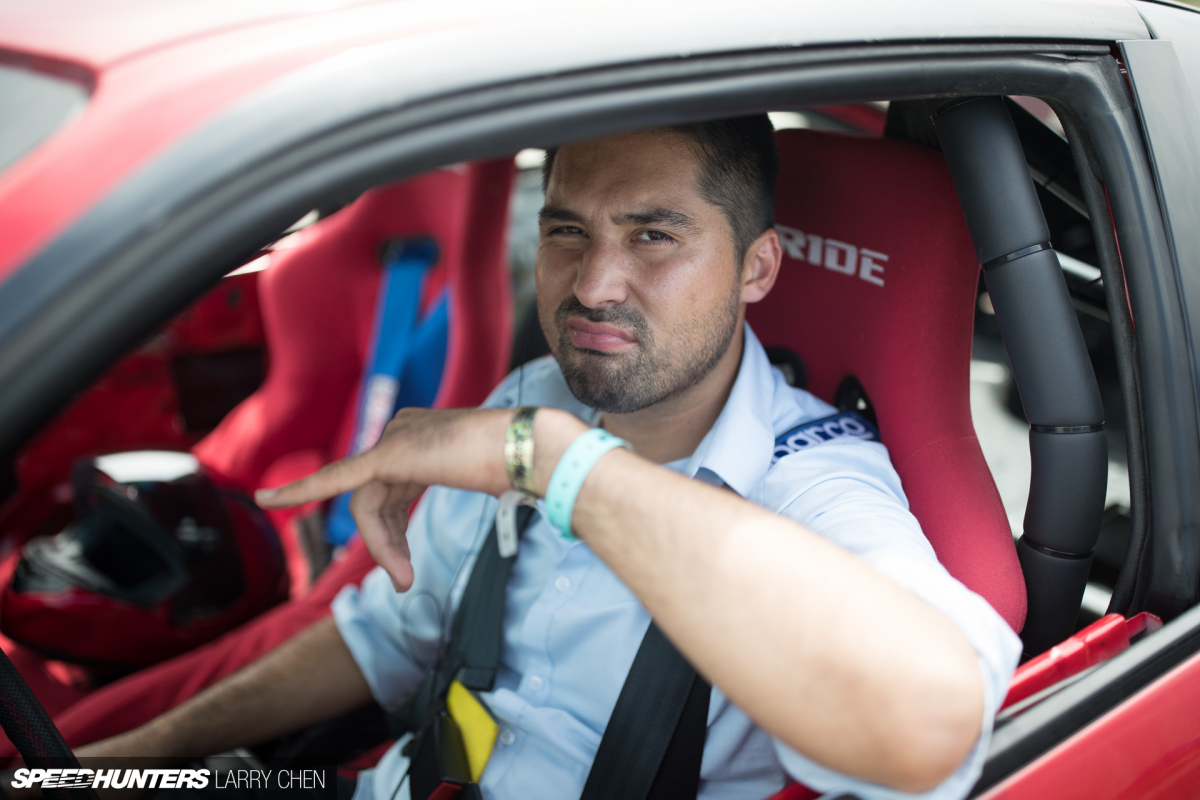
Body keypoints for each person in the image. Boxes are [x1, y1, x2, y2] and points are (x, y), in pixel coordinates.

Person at [76, 116, 1020, 799]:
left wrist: (554, 464)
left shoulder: (814, 479)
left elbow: (931, 732)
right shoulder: (533, 396)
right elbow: (389, 638)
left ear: (758, 268)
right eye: (568, 231)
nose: (595, 284)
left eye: (654, 235)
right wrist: (139, 758)